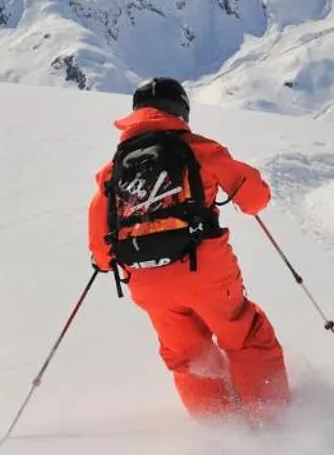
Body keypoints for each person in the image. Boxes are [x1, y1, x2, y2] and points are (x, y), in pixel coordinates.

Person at [88, 77, 291, 420]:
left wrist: (109, 260)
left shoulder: (113, 170)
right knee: (244, 335)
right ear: (181, 111)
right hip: (205, 271)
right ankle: (273, 421)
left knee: (187, 354)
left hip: (146, 282)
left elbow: (101, 245)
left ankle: (218, 426)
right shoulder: (199, 149)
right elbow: (255, 199)